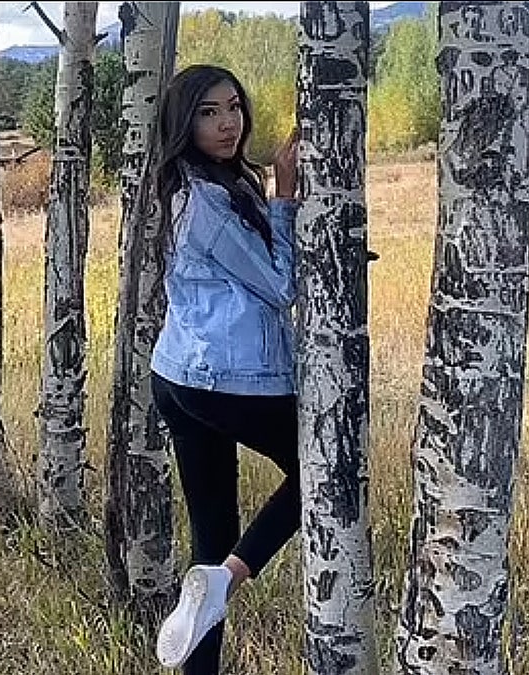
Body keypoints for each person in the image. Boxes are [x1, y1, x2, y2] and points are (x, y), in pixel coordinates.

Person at [149, 64, 300, 673]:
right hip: (225, 380)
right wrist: (286, 198)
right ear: (184, 123)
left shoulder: (197, 185)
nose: (227, 122)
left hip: (177, 376)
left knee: (211, 536)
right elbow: (281, 285)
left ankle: (202, 646)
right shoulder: (208, 202)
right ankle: (230, 579)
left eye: (233, 106)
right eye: (208, 112)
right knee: (328, 472)